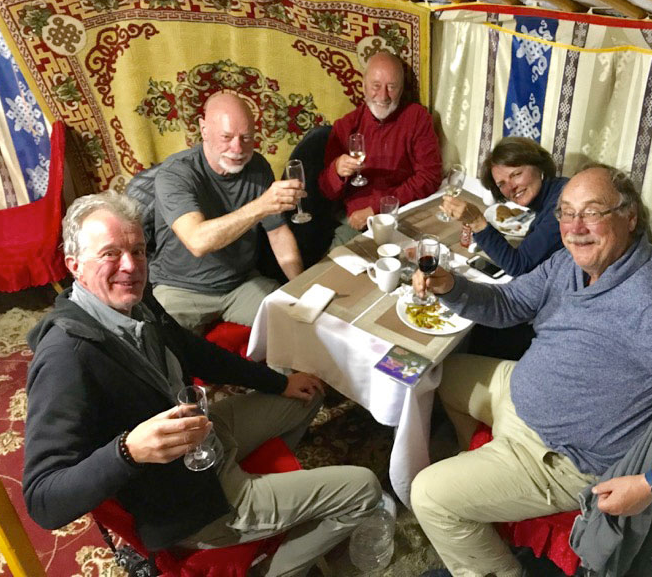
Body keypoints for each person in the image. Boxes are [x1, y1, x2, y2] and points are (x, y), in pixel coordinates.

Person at [410, 165, 652, 577]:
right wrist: (451, 286)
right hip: (519, 394)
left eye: (592, 212)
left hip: (561, 455)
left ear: (630, 217)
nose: (575, 227)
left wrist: (650, 484)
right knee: (440, 374)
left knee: (427, 494)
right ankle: (490, 492)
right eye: (566, 212)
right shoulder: (569, 265)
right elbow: (508, 306)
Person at [23, 191, 381, 577]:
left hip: (202, 438)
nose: (130, 266)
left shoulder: (134, 301)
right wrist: (127, 451)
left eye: (139, 251)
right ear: (74, 265)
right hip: (188, 503)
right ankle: (268, 565)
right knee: (364, 489)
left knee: (307, 395)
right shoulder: (66, 358)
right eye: (110, 253)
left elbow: (194, 352)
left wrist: (279, 383)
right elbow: (43, 500)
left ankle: (267, 494)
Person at [149, 92, 306, 333]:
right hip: (179, 288)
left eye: (246, 138)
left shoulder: (258, 167)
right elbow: (197, 241)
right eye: (227, 137)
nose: (237, 148)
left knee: (295, 323)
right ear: (203, 130)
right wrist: (261, 205)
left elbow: (278, 234)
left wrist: (301, 287)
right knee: (160, 348)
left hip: (240, 284)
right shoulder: (175, 174)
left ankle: (285, 373)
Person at [319, 51, 443, 245]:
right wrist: (336, 170)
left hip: (405, 214)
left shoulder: (417, 118)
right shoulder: (346, 125)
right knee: (333, 268)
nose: (383, 96)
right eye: (376, 86)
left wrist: (377, 208)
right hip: (358, 223)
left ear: (401, 89)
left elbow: (430, 176)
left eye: (391, 87)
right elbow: (326, 191)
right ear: (363, 86)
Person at [440, 136, 566, 277]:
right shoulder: (549, 196)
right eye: (501, 184)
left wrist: (476, 221)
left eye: (516, 174)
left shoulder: (563, 205)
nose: (511, 187)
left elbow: (519, 265)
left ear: (539, 166)